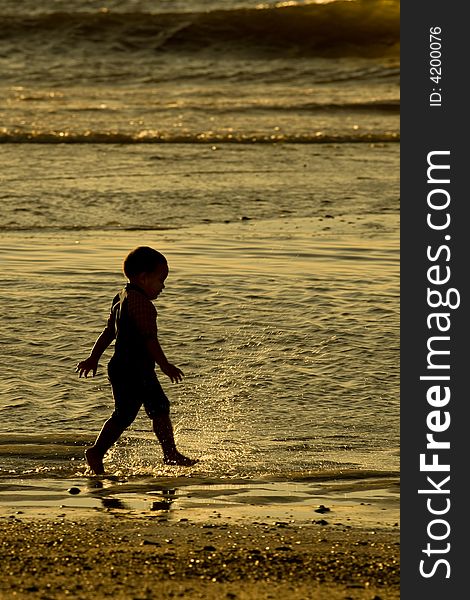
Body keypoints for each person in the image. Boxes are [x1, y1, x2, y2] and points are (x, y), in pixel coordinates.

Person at [76, 246, 197, 474]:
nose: (163, 286)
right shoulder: (142, 304)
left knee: (139, 411)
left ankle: (100, 452)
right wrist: (165, 365)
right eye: (161, 280)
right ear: (143, 278)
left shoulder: (121, 297)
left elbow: (108, 332)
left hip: (121, 367)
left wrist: (94, 357)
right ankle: (167, 454)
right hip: (136, 369)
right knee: (148, 410)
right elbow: (149, 338)